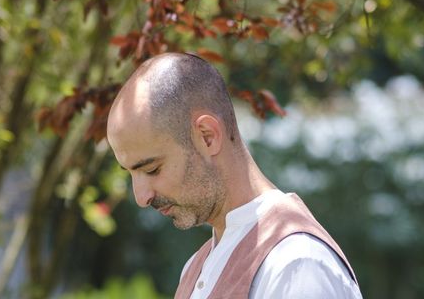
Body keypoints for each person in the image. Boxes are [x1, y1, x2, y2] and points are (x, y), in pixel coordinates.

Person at [106, 52, 362, 299]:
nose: (141, 197)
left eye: (152, 169)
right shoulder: (195, 270)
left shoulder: (296, 265)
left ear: (207, 136)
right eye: (130, 173)